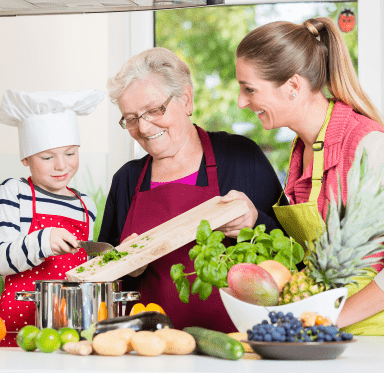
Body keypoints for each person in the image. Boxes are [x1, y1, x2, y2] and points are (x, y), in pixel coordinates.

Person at [97, 47, 284, 333]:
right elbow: (101, 281)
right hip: (150, 347)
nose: (144, 128)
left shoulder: (239, 157)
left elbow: (290, 254)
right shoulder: (127, 180)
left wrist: (255, 221)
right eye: (131, 119)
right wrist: (125, 267)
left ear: (186, 99)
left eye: (154, 110)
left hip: (239, 343)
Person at [236, 17, 384, 334]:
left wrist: (328, 321)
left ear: (293, 86)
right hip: (328, 333)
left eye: (249, 89)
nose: (241, 102)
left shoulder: (368, 146)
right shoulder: (302, 149)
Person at [0, 89, 105, 346]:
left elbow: (83, 271)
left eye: (70, 153)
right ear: (26, 158)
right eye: (47, 157)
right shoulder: (15, 192)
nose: (61, 165)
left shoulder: (86, 204)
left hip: (69, 325)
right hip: (19, 327)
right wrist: (44, 240)